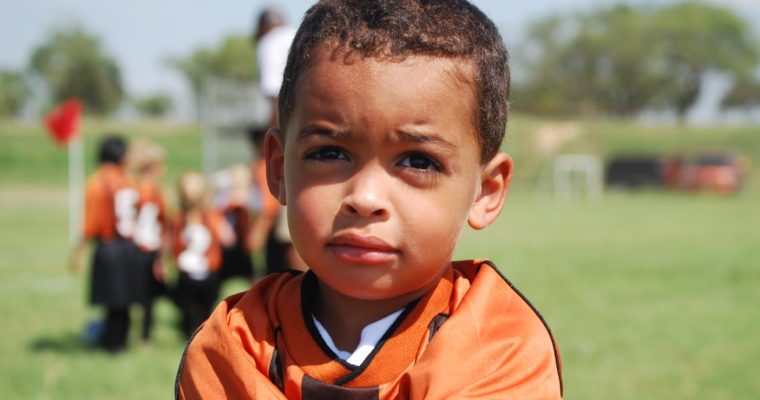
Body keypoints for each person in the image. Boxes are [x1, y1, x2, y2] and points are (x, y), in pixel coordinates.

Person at [177, 0, 563, 398]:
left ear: (486, 191)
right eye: (329, 153)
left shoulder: (500, 346)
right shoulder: (235, 342)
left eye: (418, 161)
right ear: (278, 168)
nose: (365, 198)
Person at [71, 135, 139, 353]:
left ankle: (112, 343)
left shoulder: (98, 182)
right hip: (129, 247)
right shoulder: (128, 180)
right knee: (123, 300)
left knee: (112, 301)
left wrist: (78, 251)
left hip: (109, 246)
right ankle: (120, 340)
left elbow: (91, 223)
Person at [173, 172, 235, 338]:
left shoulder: (178, 218)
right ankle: (202, 334)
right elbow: (228, 238)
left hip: (186, 272)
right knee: (206, 310)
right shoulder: (213, 216)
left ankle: (188, 332)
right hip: (209, 271)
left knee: (187, 309)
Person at [246, 125, 307, 275]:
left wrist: (261, 226)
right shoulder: (259, 164)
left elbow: (268, 202)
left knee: (290, 251)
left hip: (272, 219)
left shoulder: (261, 166)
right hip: (269, 222)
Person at [129, 139, 169, 344]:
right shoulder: (152, 191)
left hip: (135, 247)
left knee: (138, 295)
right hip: (145, 247)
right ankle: (144, 336)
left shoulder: (133, 187)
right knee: (146, 297)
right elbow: (162, 223)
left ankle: (137, 334)